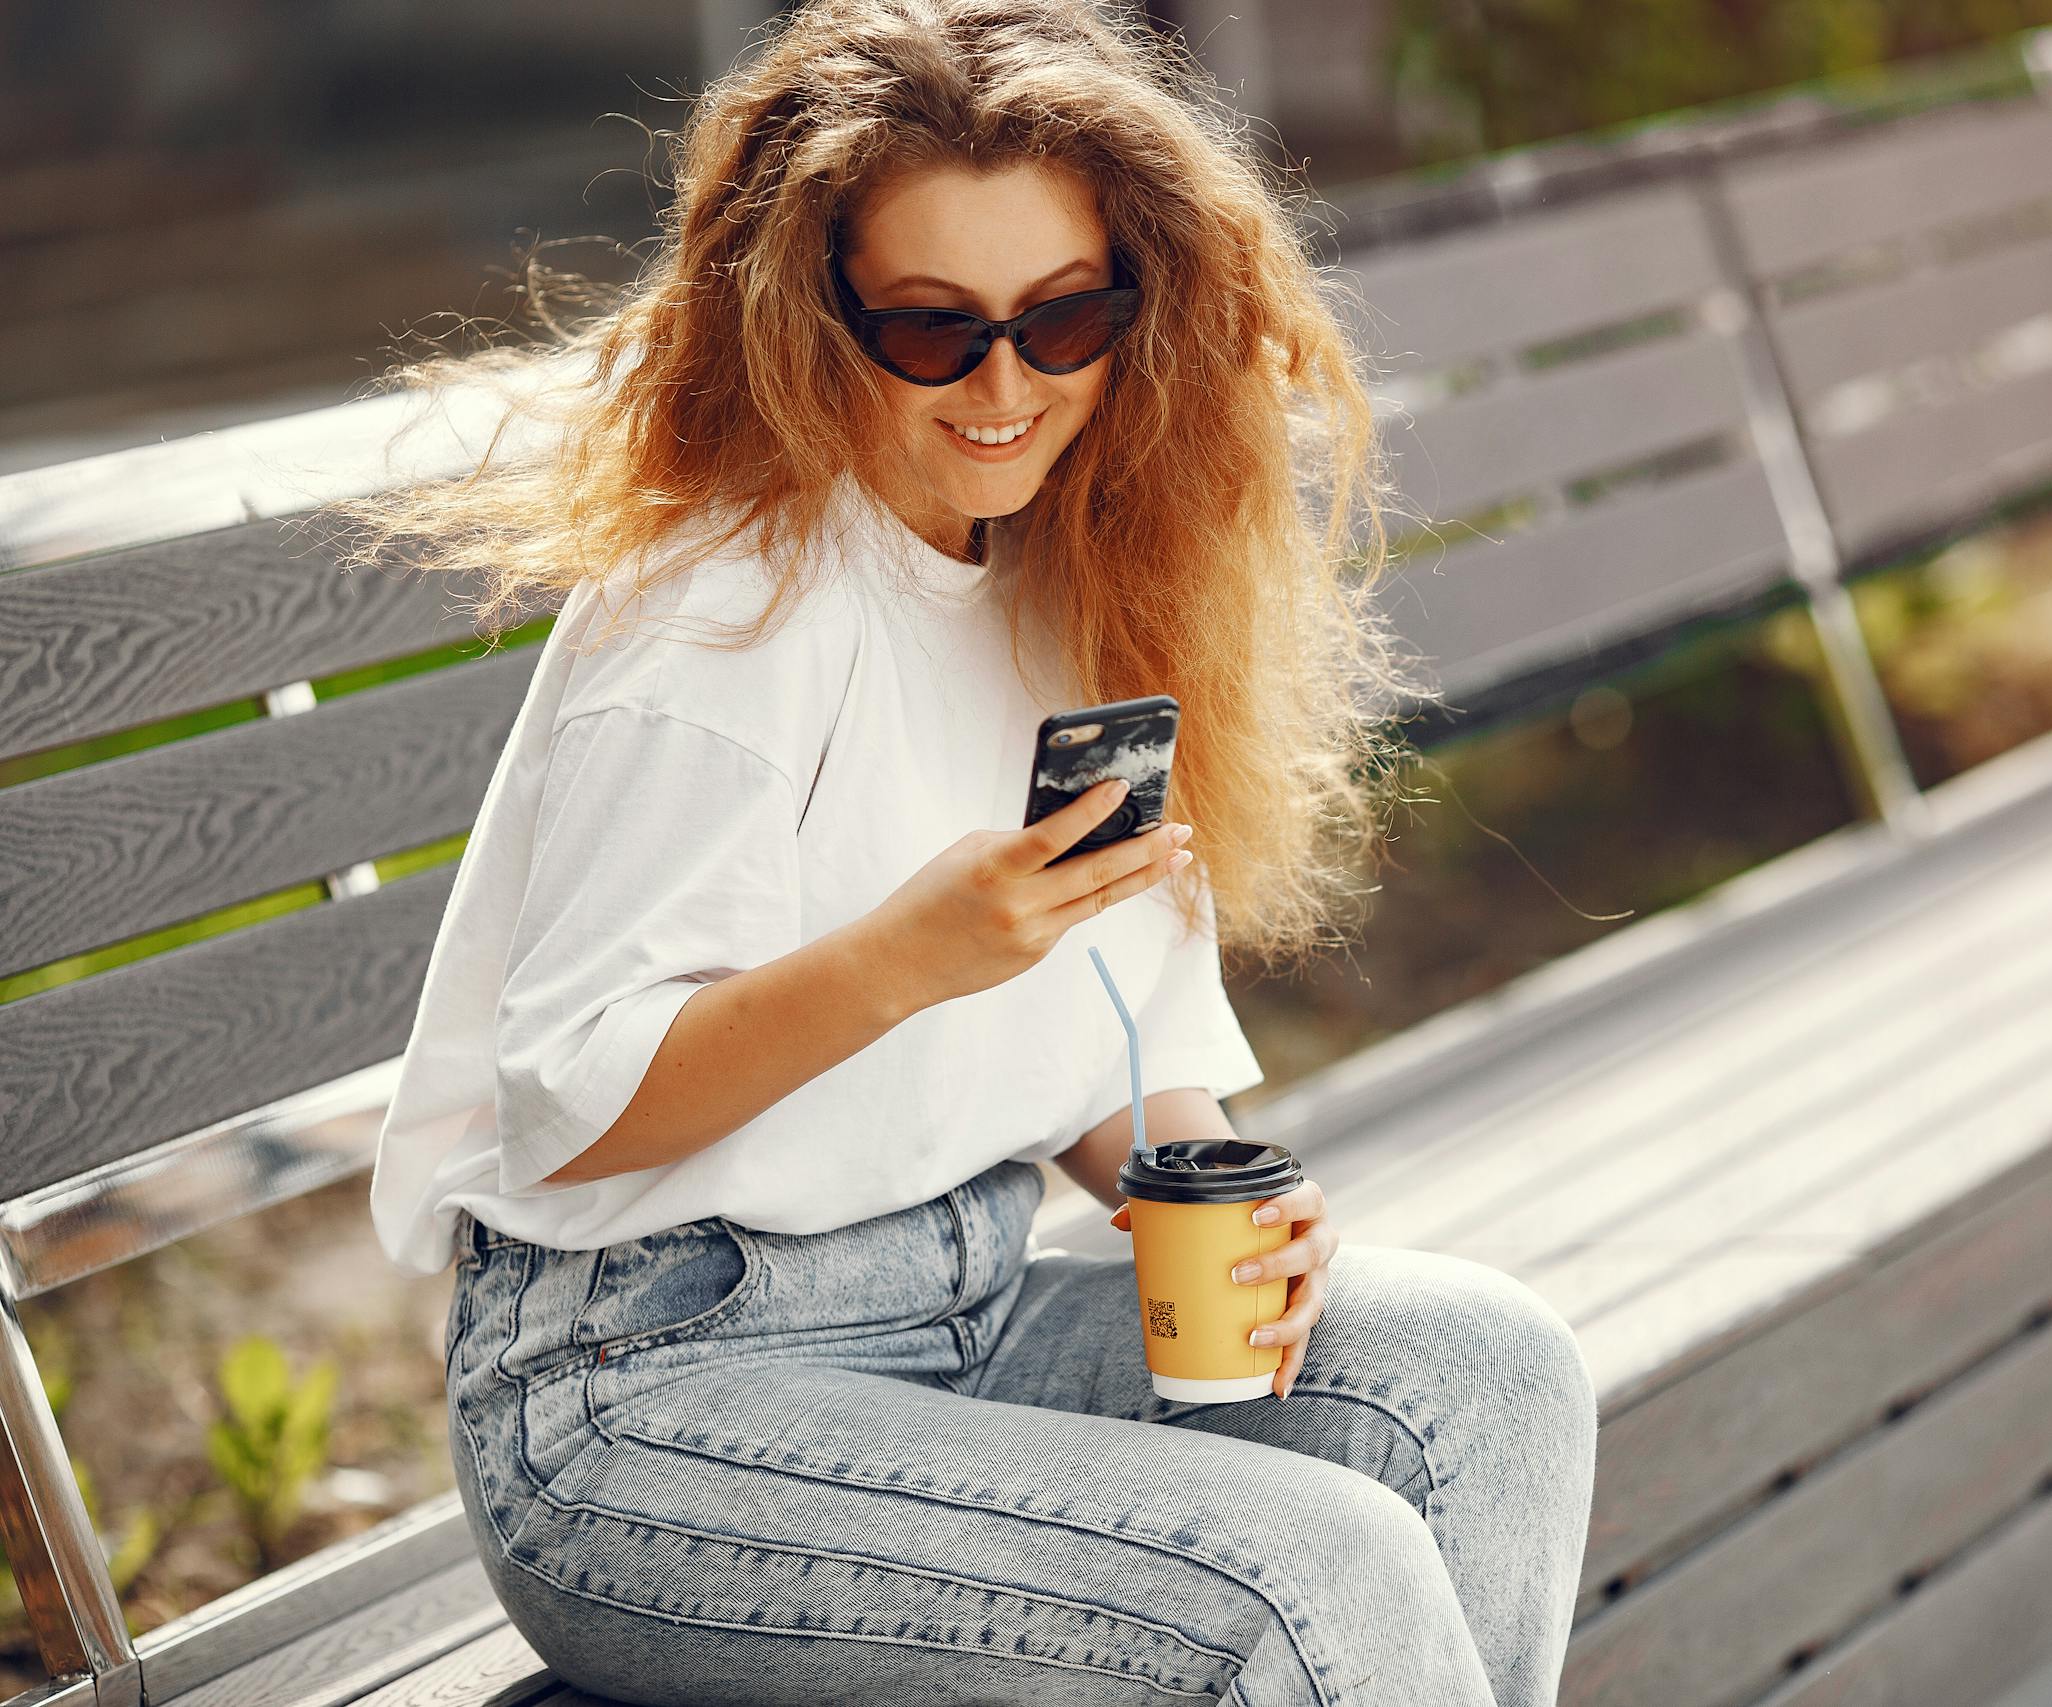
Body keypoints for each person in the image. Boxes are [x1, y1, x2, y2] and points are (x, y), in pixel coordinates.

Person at [343, 3, 1597, 1702]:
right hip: (648, 1401)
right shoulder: (720, 623)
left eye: (1064, 318)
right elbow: (576, 1101)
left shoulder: (1076, 580)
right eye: (933, 333)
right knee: (1307, 1572)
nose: (1007, 387)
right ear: (809, 318)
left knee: (1490, 1370)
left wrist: (1225, 1195)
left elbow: (1110, 1051)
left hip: (972, 1314)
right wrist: (902, 960)